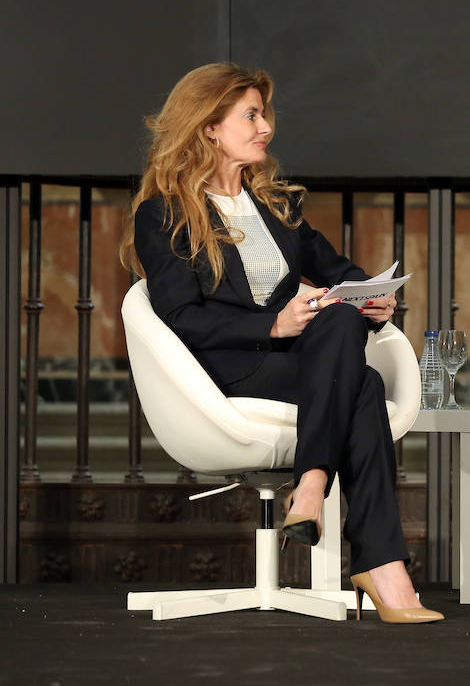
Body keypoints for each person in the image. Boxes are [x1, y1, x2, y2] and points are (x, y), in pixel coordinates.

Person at [119, 62, 441, 624]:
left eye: (264, 114)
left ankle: (312, 487)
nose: (265, 126)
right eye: (250, 115)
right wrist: (271, 327)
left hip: (302, 365)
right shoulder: (164, 214)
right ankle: (380, 562)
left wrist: (374, 300)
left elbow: (343, 273)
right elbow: (179, 316)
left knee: (343, 321)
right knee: (361, 385)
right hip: (227, 371)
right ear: (209, 127)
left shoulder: (278, 208)